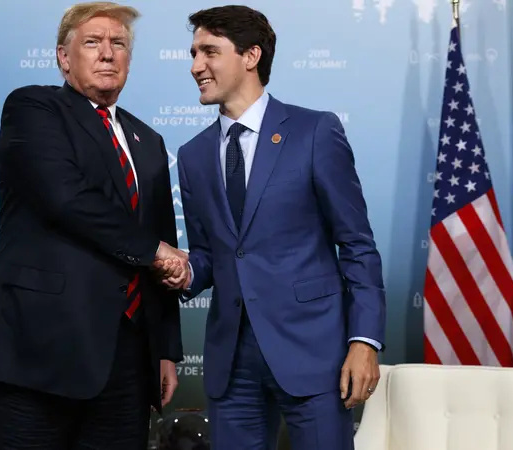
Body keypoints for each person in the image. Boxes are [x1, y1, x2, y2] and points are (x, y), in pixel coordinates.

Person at [161, 5, 386, 449]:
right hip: (232, 363)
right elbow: (210, 254)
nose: (195, 66)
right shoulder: (192, 155)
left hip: (314, 353)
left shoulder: (314, 131)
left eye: (209, 52)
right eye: (193, 53)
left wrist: (364, 341)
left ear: (250, 56)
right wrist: (186, 270)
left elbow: (357, 244)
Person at [0, 2, 188, 449]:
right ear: (64, 59)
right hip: (38, 350)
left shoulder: (150, 141)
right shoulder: (34, 107)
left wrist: (164, 350)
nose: (107, 53)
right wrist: (158, 251)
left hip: (127, 359)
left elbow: (159, 236)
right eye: (93, 42)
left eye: (119, 43)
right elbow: (66, 197)